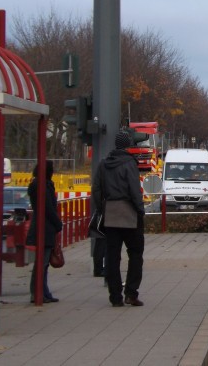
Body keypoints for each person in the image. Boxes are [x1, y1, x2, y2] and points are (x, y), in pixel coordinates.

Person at [92, 130, 146, 307]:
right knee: (136, 253)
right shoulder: (130, 164)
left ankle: (115, 296)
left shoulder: (103, 164)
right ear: (128, 145)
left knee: (113, 256)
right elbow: (134, 190)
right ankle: (131, 293)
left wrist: (103, 209)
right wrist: (140, 210)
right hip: (129, 213)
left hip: (110, 213)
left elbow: (97, 190)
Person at [26, 160, 63, 303]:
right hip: (45, 227)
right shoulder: (43, 186)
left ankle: (42, 291)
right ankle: (38, 292)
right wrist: (57, 223)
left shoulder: (38, 184)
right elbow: (48, 208)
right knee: (42, 262)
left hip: (43, 226)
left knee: (43, 262)